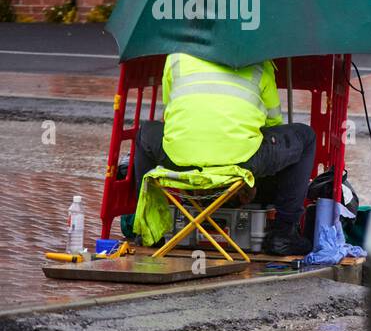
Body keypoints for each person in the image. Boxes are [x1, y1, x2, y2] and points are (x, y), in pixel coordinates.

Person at [132, 52, 315, 256]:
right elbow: (273, 122)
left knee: (145, 133)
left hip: (180, 158)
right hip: (240, 160)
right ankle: (284, 234)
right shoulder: (260, 62)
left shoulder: (176, 56)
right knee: (305, 137)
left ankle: (149, 230)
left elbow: (170, 109)